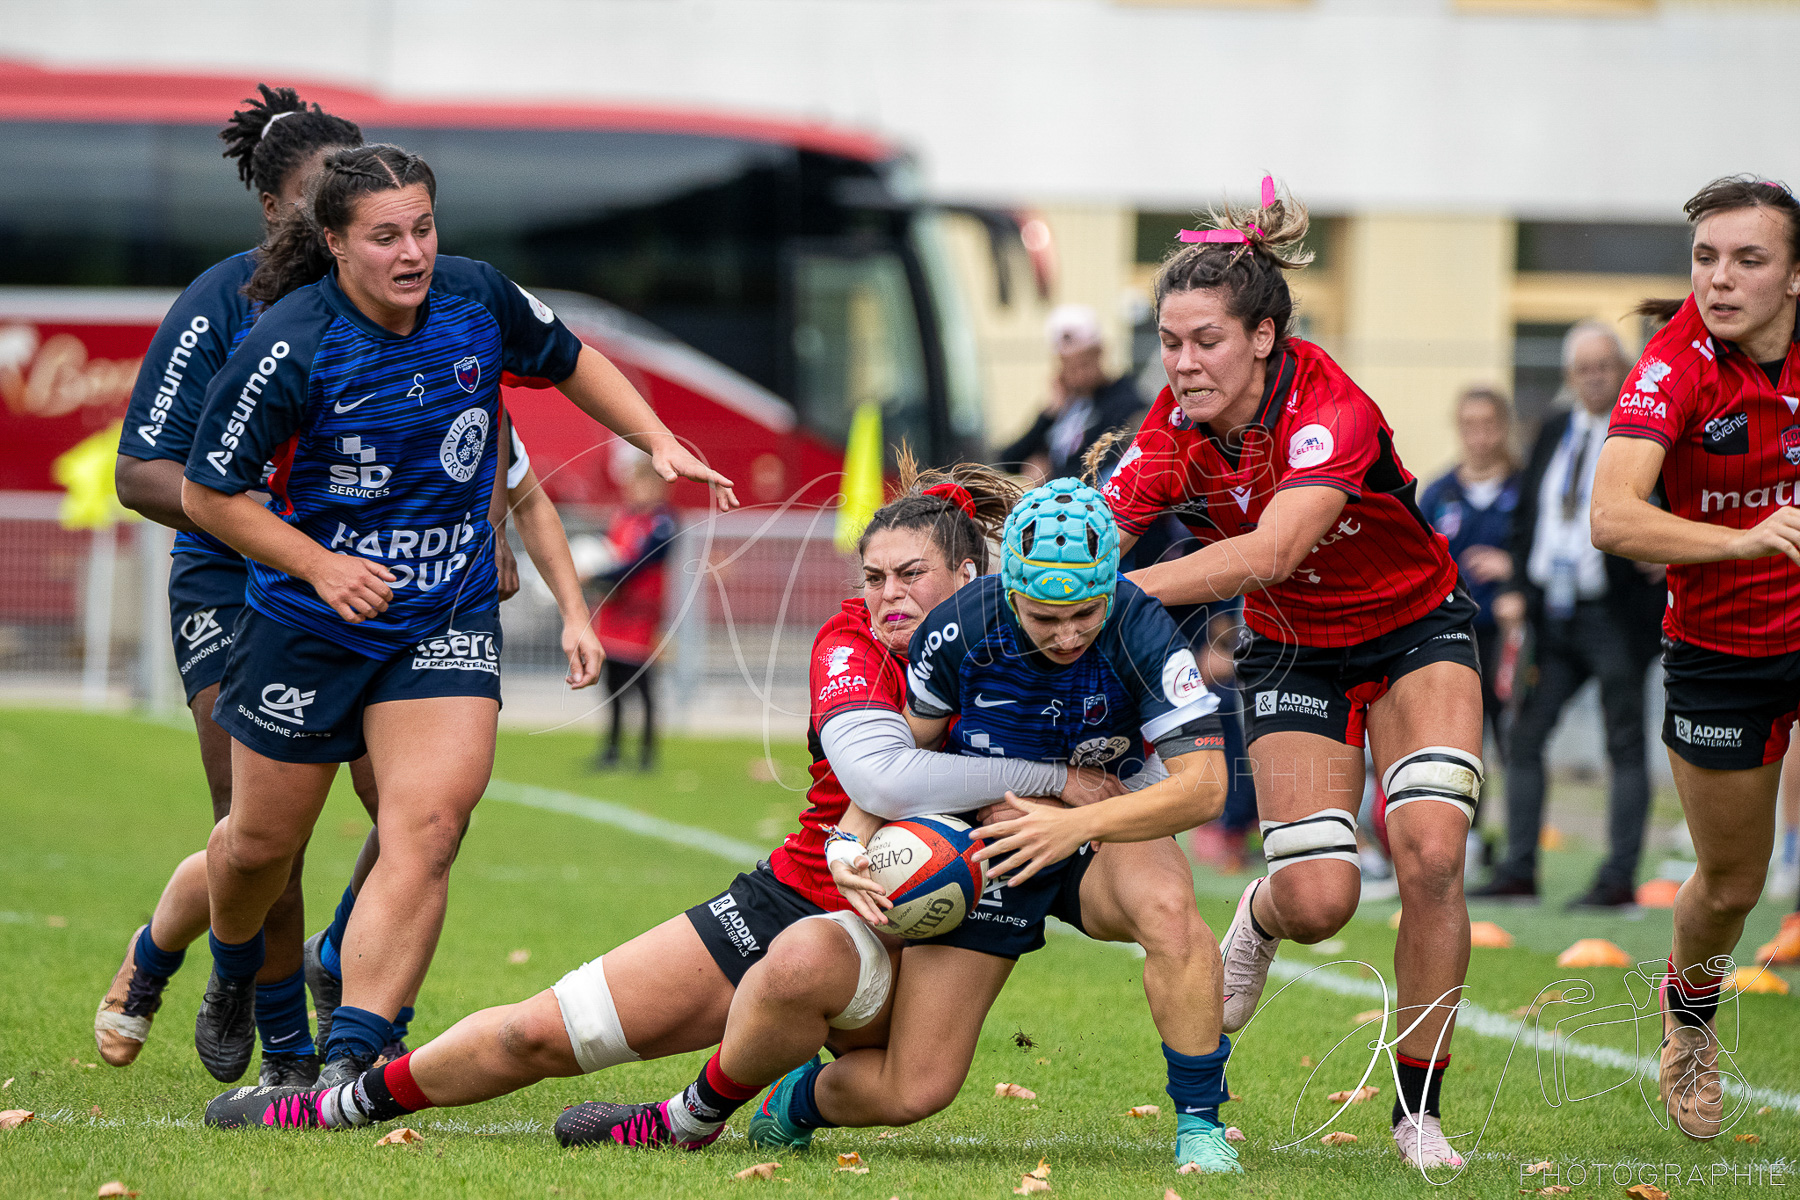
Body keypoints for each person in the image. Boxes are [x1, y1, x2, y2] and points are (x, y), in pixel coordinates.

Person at [197, 461, 1114, 1138]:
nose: (887, 597)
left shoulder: (1038, 638)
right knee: (535, 1036)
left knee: (916, 1084)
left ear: (971, 578)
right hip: (799, 901)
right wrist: (1047, 780)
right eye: (874, 577)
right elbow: (880, 781)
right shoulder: (848, 642)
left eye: (911, 575)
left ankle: (704, 1116)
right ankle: (339, 1105)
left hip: (937, 931)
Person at [178, 141, 734, 1090]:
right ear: (334, 243)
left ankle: (351, 1060)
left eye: (424, 228)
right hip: (308, 624)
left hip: (445, 612)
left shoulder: (477, 298)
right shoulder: (289, 344)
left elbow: (573, 358)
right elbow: (206, 494)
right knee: (259, 848)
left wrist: (654, 438)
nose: (413, 253)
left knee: (431, 826)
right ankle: (235, 971)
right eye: (385, 236)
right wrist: (320, 565)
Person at [1100, 176, 1485, 1171]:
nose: (1183, 363)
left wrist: (1116, 592)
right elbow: (1097, 530)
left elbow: (1271, 551)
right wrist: (1026, 573)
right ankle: (1262, 913)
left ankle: (1416, 1114)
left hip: (1415, 631)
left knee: (1431, 855)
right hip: (1293, 649)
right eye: (1169, 342)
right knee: (1319, 902)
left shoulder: (1330, 407)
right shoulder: (1169, 429)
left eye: (1206, 341)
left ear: (1264, 336)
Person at [732, 478, 1241, 1173]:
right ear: (1011, 591)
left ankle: (1201, 1126)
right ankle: (797, 1100)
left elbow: (1206, 788)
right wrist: (847, 837)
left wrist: (1074, 823)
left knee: (1171, 913)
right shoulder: (960, 627)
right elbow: (906, 756)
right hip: (981, 845)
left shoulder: (1144, 628)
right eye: (1044, 617)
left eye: (1085, 614)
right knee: (915, 1089)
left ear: (1109, 587)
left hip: (1101, 827)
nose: (1067, 634)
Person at [100, 85, 369, 1087]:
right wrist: (256, 518)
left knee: (422, 809)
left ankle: (331, 954)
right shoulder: (221, 301)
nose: (344, 207)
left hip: (367, 583)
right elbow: (140, 473)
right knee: (259, 831)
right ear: (271, 206)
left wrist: (499, 526)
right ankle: (278, 1037)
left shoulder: (398, 297)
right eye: (322, 191)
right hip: (231, 584)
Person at [1590, 174, 1800, 1140]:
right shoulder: (1677, 363)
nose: (1718, 279)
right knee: (1731, 885)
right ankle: (1691, 1017)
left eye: (1748, 259)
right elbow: (1611, 516)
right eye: (1706, 258)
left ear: (1793, 276)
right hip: (1724, 652)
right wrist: (1743, 541)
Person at [1472, 325, 1665, 909]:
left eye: (1604, 365)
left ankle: (1617, 880)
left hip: (1615, 614)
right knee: (1524, 734)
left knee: (1623, 742)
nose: (1594, 377)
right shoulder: (1556, 428)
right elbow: (1529, 516)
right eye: (1583, 368)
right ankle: (1518, 871)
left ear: (1623, 369)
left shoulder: (1643, 430)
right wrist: (1516, 587)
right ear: (1569, 376)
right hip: (1551, 616)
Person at [588, 456, 678, 772]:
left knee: (643, 686)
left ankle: (646, 754)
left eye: (642, 485)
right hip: (613, 612)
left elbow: (640, 562)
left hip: (643, 616)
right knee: (611, 684)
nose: (635, 491)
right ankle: (612, 749)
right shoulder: (622, 516)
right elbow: (607, 551)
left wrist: (602, 576)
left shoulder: (663, 523)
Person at [998, 304, 1145, 484]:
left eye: (1085, 364)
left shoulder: (1125, 401)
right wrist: (1049, 414)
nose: (1080, 375)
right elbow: (1008, 460)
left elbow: (1100, 468)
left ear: (1100, 353)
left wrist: (1050, 474)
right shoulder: (1065, 405)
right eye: (1070, 367)